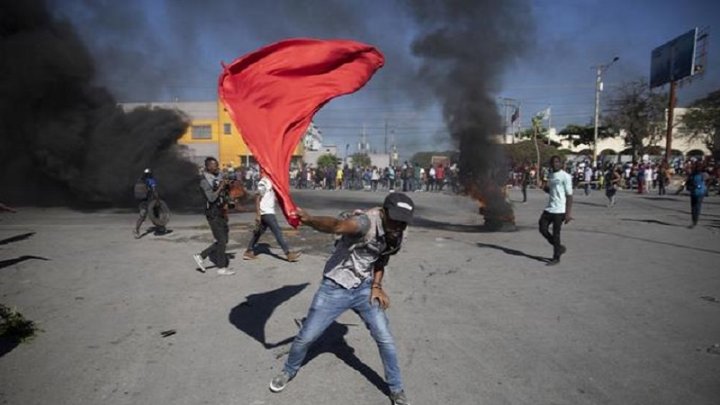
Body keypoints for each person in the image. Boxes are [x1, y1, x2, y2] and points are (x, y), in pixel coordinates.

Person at [268, 193, 415, 405]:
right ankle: (288, 370)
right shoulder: (365, 222)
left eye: (403, 221)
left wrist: (376, 286)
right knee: (307, 336)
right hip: (334, 287)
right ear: (384, 213)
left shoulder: (399, 231)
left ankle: (396, 389)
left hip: (364, 289)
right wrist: (310, 220)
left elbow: (382, 258)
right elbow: (337, 225)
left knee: (386, 340)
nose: (398, 225)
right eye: (395, 219)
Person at [243, 169, 301, 262]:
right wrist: (258, 214)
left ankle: (248, 252)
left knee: (258, 233)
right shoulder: (264, 181)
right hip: (266, 213)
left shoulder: (271, 182)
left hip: (266, 212)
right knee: (278, 233)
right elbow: (257, 197)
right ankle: (288, 254)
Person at [193, 157, 235, 275]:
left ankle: (201, 256)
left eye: (217, 165)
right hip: (212, 212)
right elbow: (211, 198)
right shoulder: (204, 181)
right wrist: (221, 186)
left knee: (224, 239)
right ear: (208, 167)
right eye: (214, 165)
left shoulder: (218, 176)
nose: (217, 167)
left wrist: (227, 185)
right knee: (221, 240)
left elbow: (223, 191)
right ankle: (221, 268)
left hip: (221, 211)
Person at [539, 156, 574, 266]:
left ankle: (556, 257)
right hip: (550, 208)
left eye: (557, 162)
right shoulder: (551, 175)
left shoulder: (566, 176)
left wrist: (568, 214)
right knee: (542, 228)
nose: (555, 164)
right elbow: (552, 191)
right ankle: (559, 247)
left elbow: (569, 196)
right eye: (553, 162)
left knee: (556, 234)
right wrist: (543, 187)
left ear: (561, 163)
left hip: (560, 210)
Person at [133, 168, 167, 238]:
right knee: (155, 214)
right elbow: (154, 191)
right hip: (150, 201)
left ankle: (136, 231)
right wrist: (157, 199)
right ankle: (160, 228)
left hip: (142, 201)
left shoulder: (139, 181)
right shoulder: (151, 180)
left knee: (142, 216)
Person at [686, 161, 709, 228]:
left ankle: (694, 221)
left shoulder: (703, 174)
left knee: (696, 207)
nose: (697, 168)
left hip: (699, 192)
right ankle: (694, 221)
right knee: (694, 207)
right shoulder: (693, 174)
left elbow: (709, 180)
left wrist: (705, 187)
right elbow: (688, 182)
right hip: (695, 192)